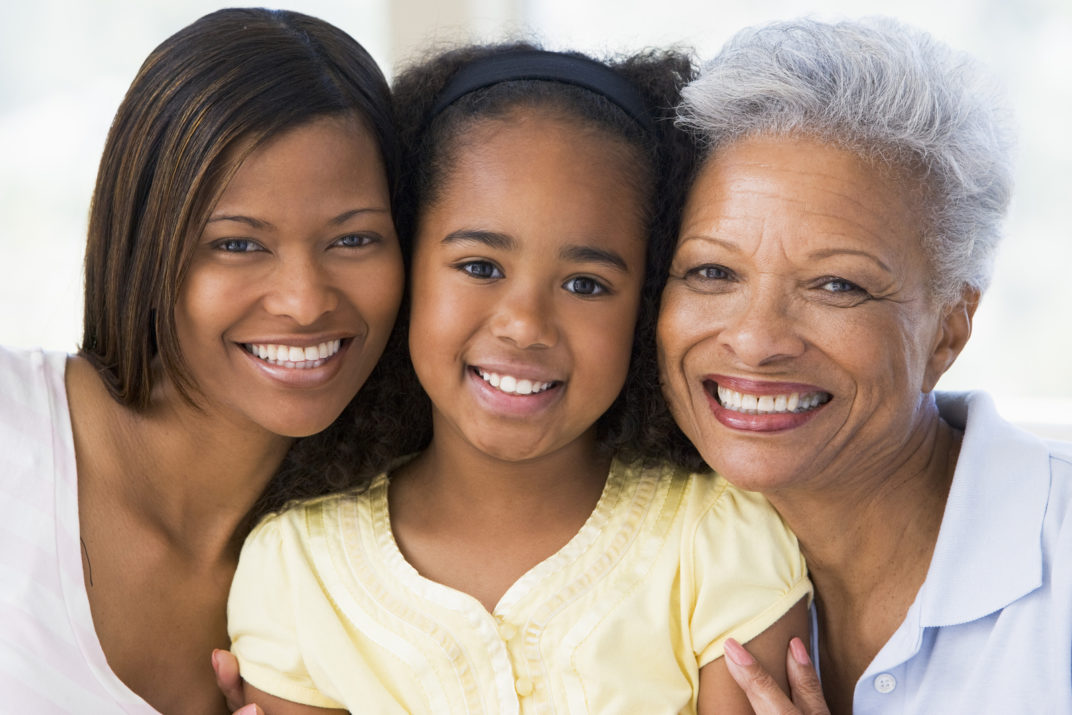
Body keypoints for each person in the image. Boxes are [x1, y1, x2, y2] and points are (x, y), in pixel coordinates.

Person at [226, 43, 812, 714]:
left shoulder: (719, 541)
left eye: (587, 283)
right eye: (479, 266)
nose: (526, 324)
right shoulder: (295, 571)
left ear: (646, 306)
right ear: (406, 268)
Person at [656, 16, 1072, 714]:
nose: (757, 340)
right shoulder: (624, 559)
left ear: (949, 328)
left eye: (836, 285)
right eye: (712, 270)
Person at [0, 8, 407, 713]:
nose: (305, 302)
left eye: (353, 240)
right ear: (145, 245)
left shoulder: (384, 569)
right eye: (239, 244)